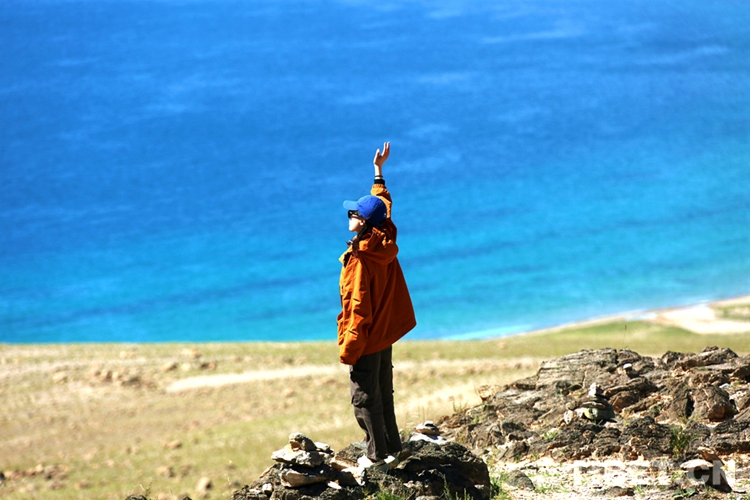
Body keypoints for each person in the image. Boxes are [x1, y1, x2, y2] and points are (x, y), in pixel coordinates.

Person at [337, 142, 417, 468]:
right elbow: (384, 206)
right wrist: (378, 172)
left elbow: (357, 309)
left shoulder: (359, 262)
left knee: (365, 399)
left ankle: (377, 456)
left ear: (364, 223)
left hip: (369, 338)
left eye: (354, 214)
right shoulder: (385, 238)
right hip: (386, 334)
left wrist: (349, 350)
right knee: (384, 392)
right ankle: (392, 447)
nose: (349, 216)